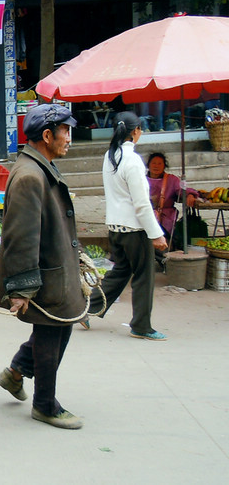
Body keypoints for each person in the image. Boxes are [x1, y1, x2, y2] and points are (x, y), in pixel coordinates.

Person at [0, 103, 87, 430]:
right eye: (65, 132)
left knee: (61, 327)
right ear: (47, 136)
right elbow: (21, 236)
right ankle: (45, 405)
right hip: (44, 276)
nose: (69, 138)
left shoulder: (40, 167)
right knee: (51, 334)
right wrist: (21, 287)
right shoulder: (30, 176)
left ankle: (16, 371)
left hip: (56, 268)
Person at [89, 112, 168, 341]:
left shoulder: (110, 155)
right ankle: (141, 326)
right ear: (135, 131)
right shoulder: (132, 160)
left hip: (115, 227)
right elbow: (141, 204)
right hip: (134, 230)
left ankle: (88, 309)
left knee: (121, 271)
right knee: (144, 276)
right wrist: (156, 234)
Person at [146, 152, 200, 243]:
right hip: (145, 213)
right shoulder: (141, 179)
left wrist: (190, 194)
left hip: (165, 216)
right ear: (148, 165)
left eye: (159, 164)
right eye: (154, 163)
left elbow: (182, 190)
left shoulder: (171, 179)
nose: (156, 166)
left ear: (164, 166)